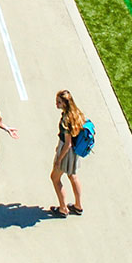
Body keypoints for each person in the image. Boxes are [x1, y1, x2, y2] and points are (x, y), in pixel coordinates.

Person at [49, 89, 86, 218]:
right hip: (75, 152)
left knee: (55, 178)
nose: (56, 104)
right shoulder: (78, 114)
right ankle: (78, 206)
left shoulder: (66, 119)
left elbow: (67, 143)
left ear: (65, 103)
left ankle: (63, 208)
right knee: (72, 176)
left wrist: (59, 158)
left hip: (66, 152)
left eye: (59, 102)